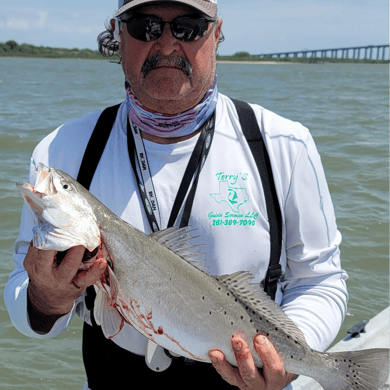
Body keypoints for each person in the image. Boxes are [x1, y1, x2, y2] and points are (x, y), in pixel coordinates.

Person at [5, 1, 348, 389]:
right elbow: (25, 303)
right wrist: (45, 300)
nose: (166, 44)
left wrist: (284, 359)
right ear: (118, 35)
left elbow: (321, 281)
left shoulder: (284, 145)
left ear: (217, 33)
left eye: (188, 26)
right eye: (145, 25)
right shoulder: (61, 151)